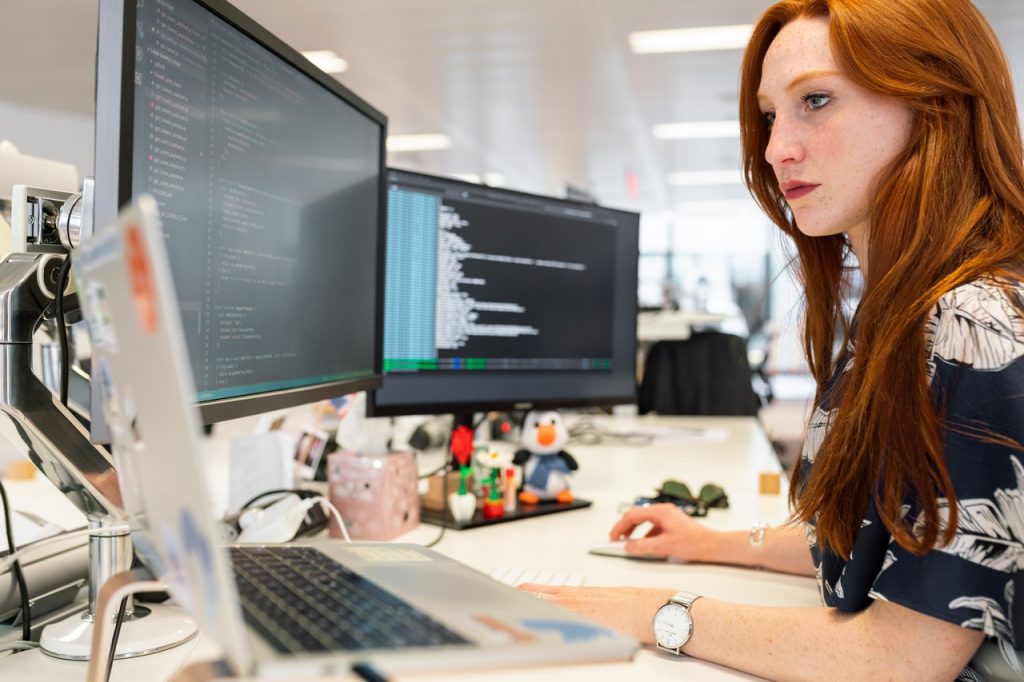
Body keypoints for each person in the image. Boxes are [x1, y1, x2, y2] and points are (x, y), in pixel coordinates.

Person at [520, 0, 1024, 678]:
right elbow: (890, 540)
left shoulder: (976, 323)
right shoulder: (903, 312)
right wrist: (713, 542)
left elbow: (902, 657)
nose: (775, 147)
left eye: (816, 99)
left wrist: (651, 612)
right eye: (769, 114)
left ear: (935, 103)